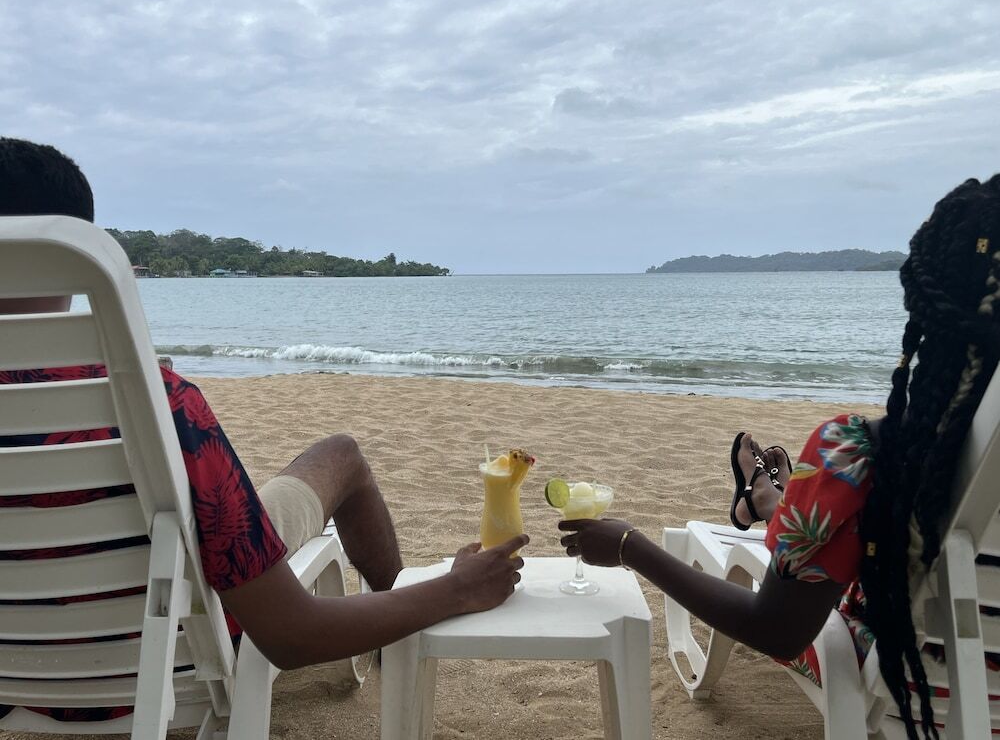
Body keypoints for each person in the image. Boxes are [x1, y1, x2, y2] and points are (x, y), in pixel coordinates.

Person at [0, 137, 527, 723]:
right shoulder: (162, 402)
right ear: (71, 255)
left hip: (19, 677)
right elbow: (290, 634)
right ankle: (392, 628)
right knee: (342, 456)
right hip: (162, 665)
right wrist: (456, 588)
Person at [560, 174, 1000, 740]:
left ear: (928, 305)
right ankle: (776, 500)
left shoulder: (860, 452)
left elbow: (777, 630)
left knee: (837, 500)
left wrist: (629, 546)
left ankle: (770, 501)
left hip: (903, 680)